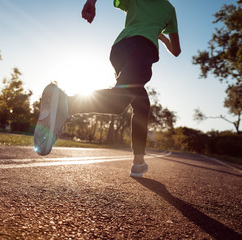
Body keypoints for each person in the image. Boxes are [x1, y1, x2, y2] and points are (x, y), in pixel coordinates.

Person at [34, 0, 181, 178]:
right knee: (118, 104)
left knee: (142, 105)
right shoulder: (169, 10)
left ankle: (138, 162)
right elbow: (176, 50)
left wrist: (91, 2)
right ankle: (68, 105)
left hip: (120, 50)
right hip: (143, 52)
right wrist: (160, 34)